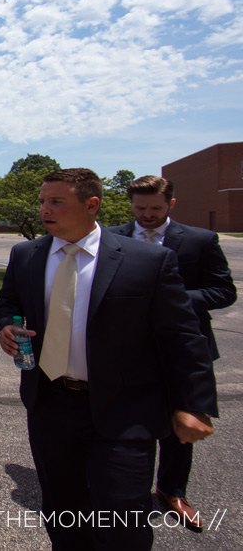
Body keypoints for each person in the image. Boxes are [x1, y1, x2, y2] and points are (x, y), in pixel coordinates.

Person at [0, 168, 217, 550]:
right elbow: (9, 301)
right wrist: (6, 327)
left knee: (123, 517)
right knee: (63, 509)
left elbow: (182, 337)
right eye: (43, 201)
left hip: (125, 409)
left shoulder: (148, 260)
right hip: (50, 405)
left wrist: (193, 404)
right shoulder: (27, 254)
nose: (45, 209)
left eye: (57, 202)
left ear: (91, 204)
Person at [107, 175, 236, 532]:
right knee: (128, 419)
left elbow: (223, 291)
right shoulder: (112, 236)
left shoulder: (200, 240)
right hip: (129, 348)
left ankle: (172, 490)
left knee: (180, 427)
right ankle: (126, 490)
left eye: (155, 209)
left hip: (184, 348)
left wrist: (172, 298)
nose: (147, 215)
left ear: (171, 205)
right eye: (140, 208)